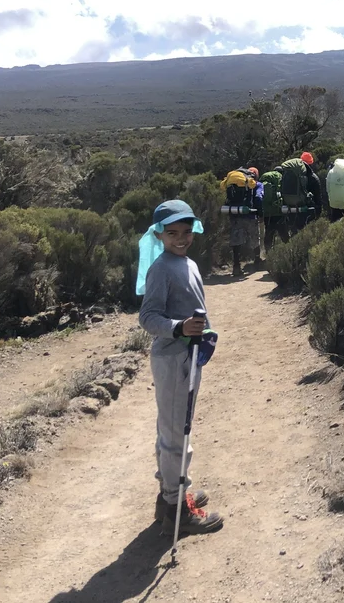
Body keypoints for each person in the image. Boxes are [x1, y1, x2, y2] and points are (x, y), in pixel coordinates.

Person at [138, 200, 223, 535]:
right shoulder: (161, 268)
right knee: (176, 433)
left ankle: (169, 496)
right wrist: (178, 327)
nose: (181, 238)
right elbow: (147, 317)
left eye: (186, 231)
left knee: (175, 427)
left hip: (187, 356)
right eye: (172, 232)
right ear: (159, 235)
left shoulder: (186, 262)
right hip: (173, 358)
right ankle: (177, 509)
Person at [220, 166, 261, 277]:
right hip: (248, 214)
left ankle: (236, 266)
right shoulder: (249, 179)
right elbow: (255, 190)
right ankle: (257, 260)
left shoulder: (231, 176)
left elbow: (222, 186)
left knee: (236, 240)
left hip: (234, 214)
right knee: (254, 236)